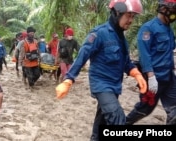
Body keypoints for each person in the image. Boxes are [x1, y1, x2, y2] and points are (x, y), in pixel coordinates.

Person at [55, 0, 147, 141]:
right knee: (117, 118)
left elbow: (126, 63)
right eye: (129, 15)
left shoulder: (122, 38)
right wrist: (68, 79)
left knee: (102, 119)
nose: (131, 20)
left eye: (133, 17)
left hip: (115, 87)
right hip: (101, 85)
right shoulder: (99, 34)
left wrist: (137, 74)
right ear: (117, 12)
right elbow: (82, 56)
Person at [126, 0, 176, 125]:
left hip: (168, 77)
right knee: (144, 109)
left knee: (174, 110)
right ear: (164, 9)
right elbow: (144, 54)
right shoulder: (148, 28)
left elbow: (169, 52)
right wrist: (150, 76)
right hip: (154, 79)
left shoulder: (169, 29)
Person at [18, 26, 41, 91]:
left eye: (33, 33)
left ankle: (31, 83)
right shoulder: (23, 42)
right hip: (27, 62)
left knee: (37, 74)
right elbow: (22, 53)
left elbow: (38, 50)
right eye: (31, 33)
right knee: (30, 76)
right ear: (27, 33)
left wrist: (40, 57)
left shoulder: (36, 41)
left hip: (35, 61)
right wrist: (20, 62)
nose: (32, 34)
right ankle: (31, 86)